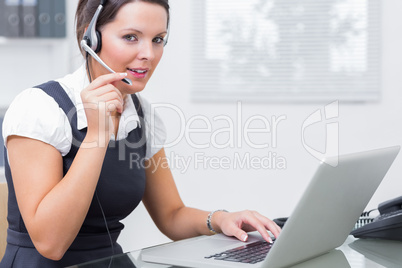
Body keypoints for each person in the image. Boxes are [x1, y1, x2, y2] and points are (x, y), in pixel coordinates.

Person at [0, 0, 281, 267]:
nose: (148, 53)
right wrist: (97, 134)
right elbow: (51, 243)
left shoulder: (142, 116)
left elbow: (171, 215)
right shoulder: (40, 107)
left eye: (158, 39)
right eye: (131, 37)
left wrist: (221, 219)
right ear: (91, 37)